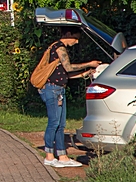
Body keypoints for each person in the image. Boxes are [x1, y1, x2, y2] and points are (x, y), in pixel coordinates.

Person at [40, 28, 100, 168]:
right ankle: (49, 156)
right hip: (53, 89)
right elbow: (68, 68)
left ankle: (62, 156)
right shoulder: (59, 48)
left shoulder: (59, 48)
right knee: (54, 123)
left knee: (60, 125)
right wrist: (89, 64)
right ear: (67, 34)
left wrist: (85, 73)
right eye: (75, 38)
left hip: (59, 89)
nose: (76, 41)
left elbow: (64, 74)